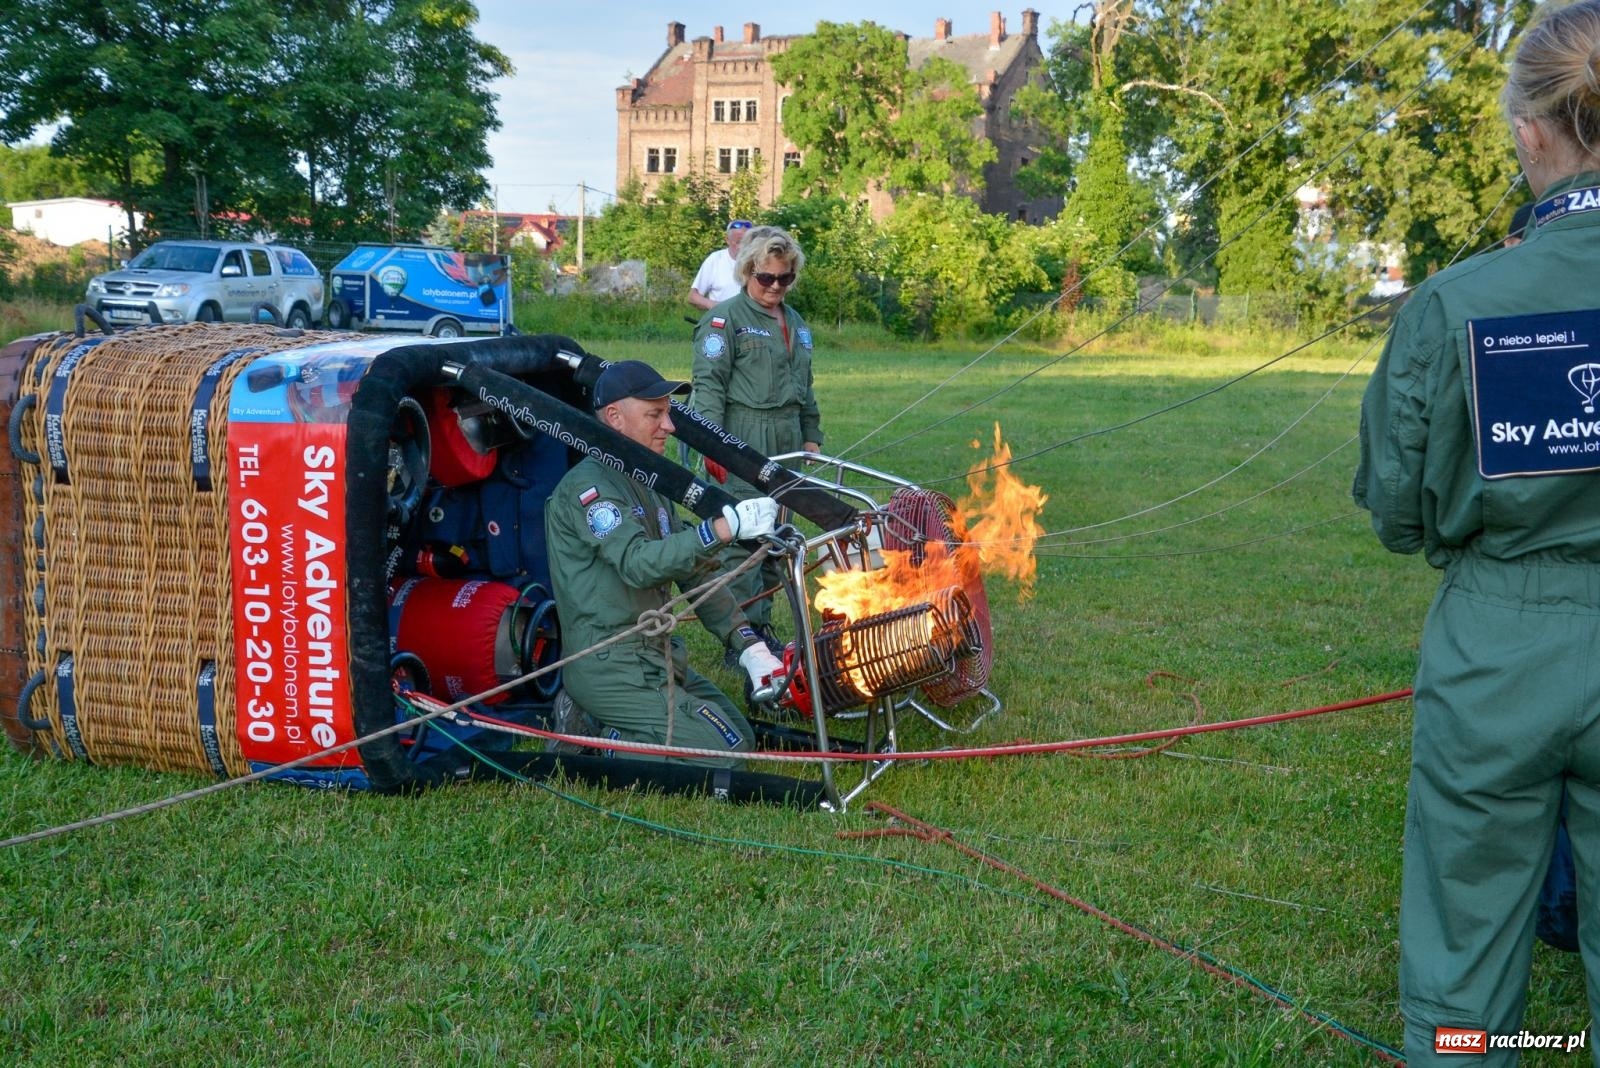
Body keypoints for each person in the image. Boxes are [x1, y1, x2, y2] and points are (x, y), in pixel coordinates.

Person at [1355, 3, 1600, 1062]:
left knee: (1463, 959)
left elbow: (1398, 512)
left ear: (1528, 131)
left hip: (1496, 647)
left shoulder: (1453, 302)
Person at [544, 359, 785, 766]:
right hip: (611, 664)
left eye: (668, 413)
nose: (669, 426)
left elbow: (691, 572)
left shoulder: (645, 480)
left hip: (654, 656)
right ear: (616, 418)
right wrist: (722, 529)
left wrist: (748, 646)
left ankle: (611, 728)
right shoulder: (590, 488)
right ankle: (594, 738)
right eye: (655, 414)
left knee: (740, 739)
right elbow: (639, 564)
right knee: (722, 758)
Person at [690, 226, 822, 660]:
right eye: (766, 278)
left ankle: (760, 625)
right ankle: (740, 638)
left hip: (787, 439)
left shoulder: (798, 323)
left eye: (784, 279)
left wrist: (811, 435)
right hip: (742, 434)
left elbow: (806, 384)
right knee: (744, 540)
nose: (775, 287)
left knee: (775, 540)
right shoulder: (724, 319)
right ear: (748, 271)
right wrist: (712, 444)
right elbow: (707, 387)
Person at [687, 219, 753, 311]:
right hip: (722, 320)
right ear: (727, 240)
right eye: (738, 242)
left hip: (752, 320)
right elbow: (693, 297)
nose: (743, 247)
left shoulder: (760, 261)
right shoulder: (715, 260)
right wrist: (717, 306)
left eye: (747, 242)